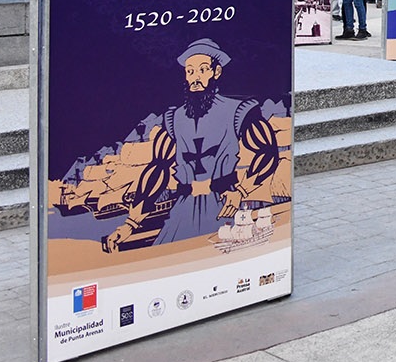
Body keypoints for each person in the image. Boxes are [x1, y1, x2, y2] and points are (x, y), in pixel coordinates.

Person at [102, 39, 280, 250]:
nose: (195, 78)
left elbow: (268, 152)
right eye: (190, 71)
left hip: (224, 203)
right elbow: (158, 169)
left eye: (202, 70)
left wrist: (241, 190)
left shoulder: (238, 110)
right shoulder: (173, 119)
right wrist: (130, 224)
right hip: (183, 208)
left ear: (216, 72)